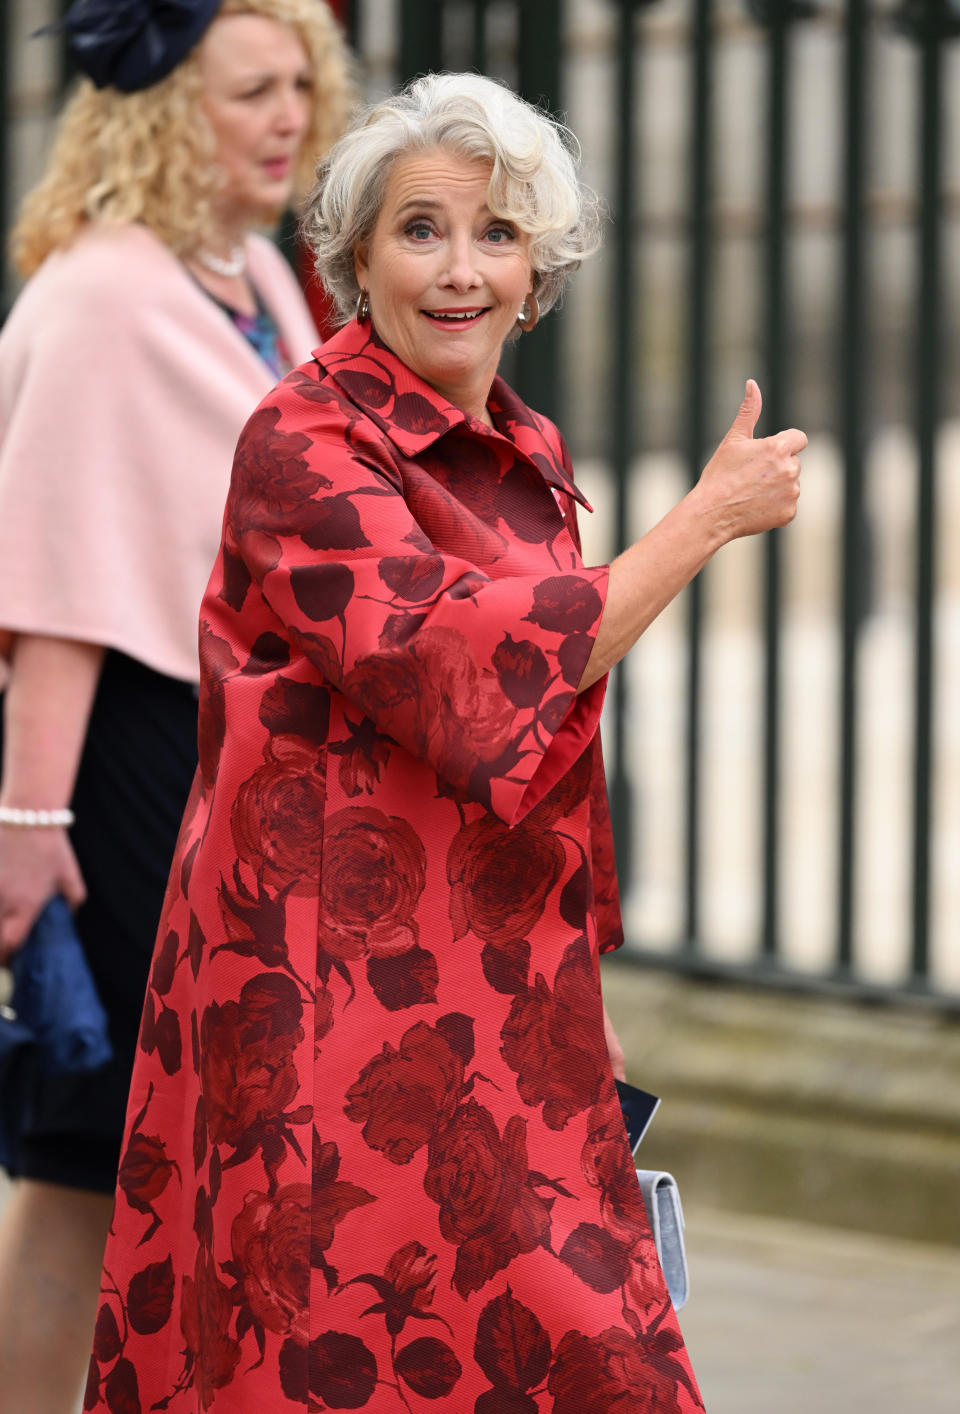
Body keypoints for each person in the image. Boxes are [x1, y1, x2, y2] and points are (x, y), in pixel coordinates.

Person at [86, 71, 804, 1413]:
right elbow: (456, 660)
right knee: (321, 1361)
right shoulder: (301, 439)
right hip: (319, 1003)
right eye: (421, 231)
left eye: (497, 233)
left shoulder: (526, 444)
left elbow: (547, 736)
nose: (460, 269)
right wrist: (696, 525)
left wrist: (582, 987)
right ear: (355, 259)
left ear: (539, 267)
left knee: (589, 1359)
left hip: (500, 991)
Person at [0, 2, 353, 1409]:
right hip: (122, 758)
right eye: (251, 90)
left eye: (302, 86)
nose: (289, 117)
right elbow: (55, 586)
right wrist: (28, 822)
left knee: (192, 1152)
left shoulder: (253, 270)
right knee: (88, 1157)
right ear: (158, 107)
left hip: (232, 754)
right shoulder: (99, 296)